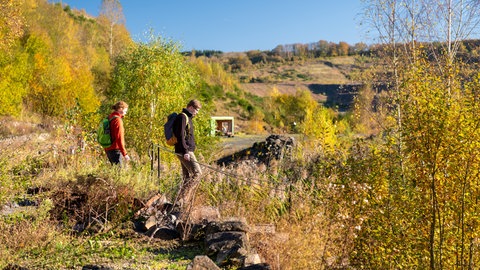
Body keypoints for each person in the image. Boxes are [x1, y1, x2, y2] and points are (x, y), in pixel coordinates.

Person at [172, 99, 202, 207]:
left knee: (187, 177)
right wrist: (185, 151)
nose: (196, 112)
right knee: (197, 174)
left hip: (184, 151)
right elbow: (180, 136)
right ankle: (184, 198)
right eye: (196, 109)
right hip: (185, 151)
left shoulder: (187, 117)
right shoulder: (182, 117)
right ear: (190, 107)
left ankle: (179, 201)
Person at [104, 101, 131, 165]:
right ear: (120, 109)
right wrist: (125, 154)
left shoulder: (110, 117)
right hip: (115, 150)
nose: (125, 113)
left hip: (108, 148)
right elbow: (119, 138)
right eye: (125, 111)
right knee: (118, 172)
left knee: (114, 170)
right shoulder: (117, 120)